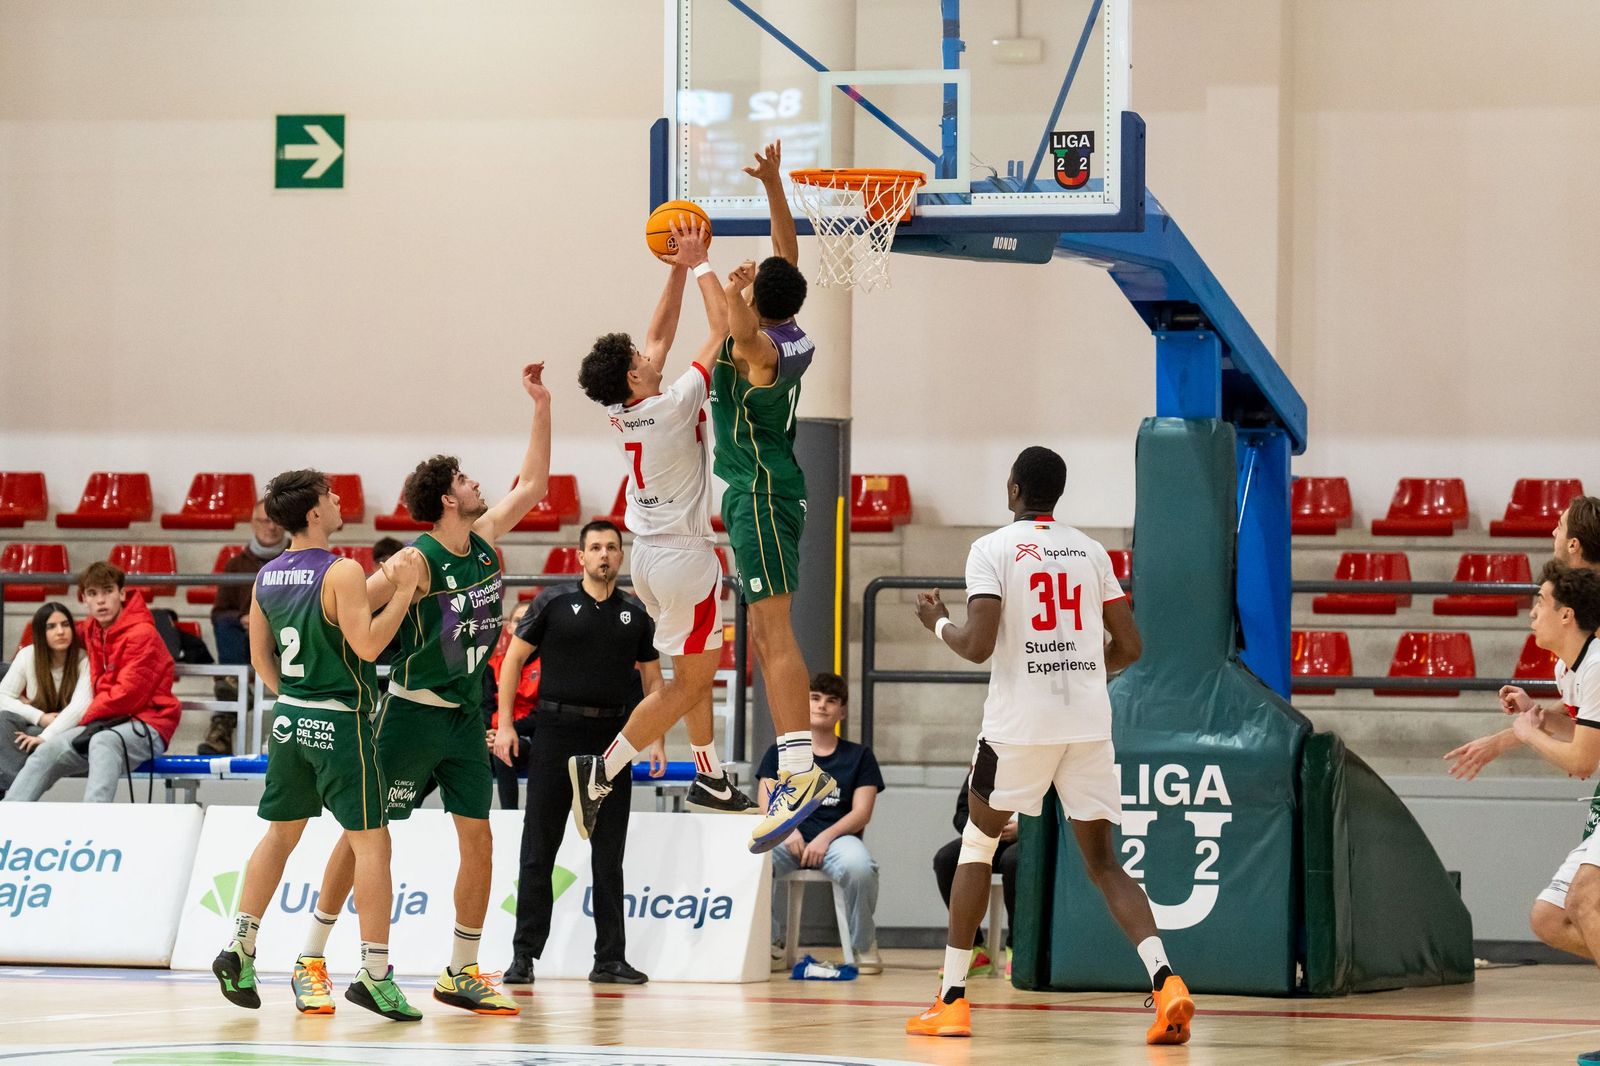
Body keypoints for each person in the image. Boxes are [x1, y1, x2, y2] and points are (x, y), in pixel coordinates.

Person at [906, 446, 1193, 1044]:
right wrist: (1090, 670)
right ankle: (1166, 982)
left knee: (977, 848)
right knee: (1105, 864)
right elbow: (1132, 648)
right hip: (1087, 723)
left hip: (1017, 727)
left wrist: (935, 619)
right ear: (1057, 493)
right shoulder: (1091, 552)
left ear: (1013, 487)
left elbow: (978, 644)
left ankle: (952, 999)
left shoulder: (991, 550)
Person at [307, 363, 551, 1018]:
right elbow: (347, 606)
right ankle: (312, 955)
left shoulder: (484, 539)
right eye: (467, 479)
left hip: (465, 722)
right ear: (447, 498)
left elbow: (535, 484)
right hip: (409, 718)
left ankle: (461, 971)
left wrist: (540, 405)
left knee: (479, 838)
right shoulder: (414, 560)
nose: (478, 484)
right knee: (364, 832)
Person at [209, 469, 425, 1021]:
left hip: (288, 721)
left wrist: (294, 699)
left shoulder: (268, 576)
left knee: (280, 836)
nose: (337, 501)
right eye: (330, 496)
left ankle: (241, 947)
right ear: (313, 513)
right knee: (373, 846)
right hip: (339, 723)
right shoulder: (342, 569)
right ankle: (376, 975)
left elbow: (261, 659)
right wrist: (401, 590)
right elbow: (370, 644)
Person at [568, 217, 756, 835]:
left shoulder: (629, 410)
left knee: (690, 671)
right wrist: (701, 263)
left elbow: (659, 332)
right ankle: (603, 769)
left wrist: (674, 266)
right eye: (640, 360)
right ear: (633, 377)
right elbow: (721, 330)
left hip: (650, 557)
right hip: (682, 557)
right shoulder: (673, 406)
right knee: (686, 686)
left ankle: (707, 772)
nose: (650, 356)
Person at [708, 140, 837, 853]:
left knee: (776, 634)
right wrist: (773, 186)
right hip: (765, 488)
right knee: (762, 633)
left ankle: (799, 772)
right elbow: (786, 250)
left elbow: (742, 337)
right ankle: (794, 769)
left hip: (760, 491)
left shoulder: (760, 351)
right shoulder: (790, 327)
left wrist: (725, 289)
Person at [494, 520, 666, 986]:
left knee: (609, 856)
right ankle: (524, 956)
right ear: (581, 556)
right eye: (596, 547)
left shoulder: (636, 614)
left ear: (621, 556)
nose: (604, 555)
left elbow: (654, 684)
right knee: (538, 849)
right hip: (555, 733)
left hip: (614, 740)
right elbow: (511, 661)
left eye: (612, 547)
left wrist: (656, 738)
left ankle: (610, 958)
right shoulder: (553, 602)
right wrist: (506, 724)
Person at [2, 562, 180, 803]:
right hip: (105, 723)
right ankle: (8, 819)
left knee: (102, 742)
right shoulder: (93, 629)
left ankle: (93, 824)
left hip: (149, 724)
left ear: (122, 593)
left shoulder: (142, 635)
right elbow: (58, 632)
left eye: (107, 591)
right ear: (84, 598)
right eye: (93, 594)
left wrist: (80, 719)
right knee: (46, 751)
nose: (101, 600)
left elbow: (125, 696)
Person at [758, 672, 884, 973]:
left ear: (841, 711)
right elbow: (766, 801)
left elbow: (861, 812)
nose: (822, 706)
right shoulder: (781, 752)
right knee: (757, 863)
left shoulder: (860, 756)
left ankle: (863, 945)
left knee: (860, 868)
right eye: (815, 698)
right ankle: (769, 943)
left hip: (837, 839)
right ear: (804, 704)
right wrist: (788, 832)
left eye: (831, 701)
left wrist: (825, 838)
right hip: (787, 835)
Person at [202, 499, 290, 754]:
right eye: (264, 520)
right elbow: (219, 611)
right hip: (245, 637)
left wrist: (265, 618)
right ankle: (232, 685)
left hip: (284, 635)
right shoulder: (235, 565)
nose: (271, 526)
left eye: (275, 520)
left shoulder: (297, 561)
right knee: (225, 622)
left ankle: (224, 719)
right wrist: (245, 617)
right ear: (253, 523)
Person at [932, 775, 1020, 978]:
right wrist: (986, 827)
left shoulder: (1042, 758)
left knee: (1013, 861)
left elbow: (1055, 811)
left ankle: (1018, 949)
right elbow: (962, 813)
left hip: (1026, 839)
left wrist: (1024, 828)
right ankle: (974, 950)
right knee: (946, 859)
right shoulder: (986, 755)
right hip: (986, 836)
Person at [0, 602, 90, 797]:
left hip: (69, 733)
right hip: (35, 732)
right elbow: (2, 697)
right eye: (51, 626)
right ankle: (17, 786)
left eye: (65, 625)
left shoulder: (84, 660)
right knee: (4, 720)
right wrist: (41, 717)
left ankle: (16, 796)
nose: (60, 632)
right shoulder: (27, 656)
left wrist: (44, 734)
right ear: (41, 632)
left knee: (24, 736)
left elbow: (79, 709)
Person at [487, 601, 539, 811]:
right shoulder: (492, 665)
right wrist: (488, 735)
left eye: (530, 620)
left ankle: (510, 816)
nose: (523, 625)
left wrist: (506, 732)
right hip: (491, 736)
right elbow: (483, 707)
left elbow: (541, 716)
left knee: (503, 748)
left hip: (527, 742)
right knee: (449, 755)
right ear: (508, 626)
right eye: (518, 620)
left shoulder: (547, 665)